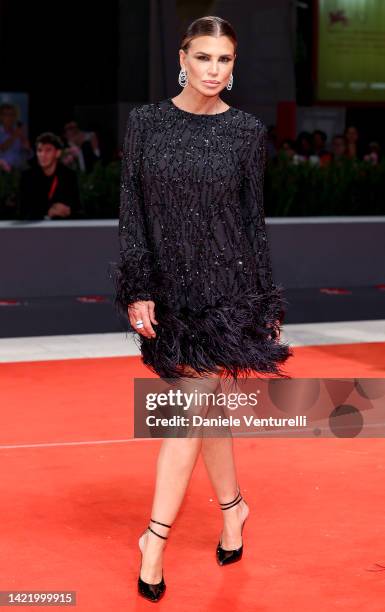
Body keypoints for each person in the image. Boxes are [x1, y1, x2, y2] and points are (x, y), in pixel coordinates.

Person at [110, 15, 293, 603]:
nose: (215, 69)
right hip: (169, 291)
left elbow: (251, 221)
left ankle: (155, 542)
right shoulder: (146, 123)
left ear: (233, 68)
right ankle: (235, 510)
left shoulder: (244, 131)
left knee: (187, 411)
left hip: (226, 291)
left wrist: (264, 299)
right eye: (205, 57)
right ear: (182, 59)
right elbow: (132, 211)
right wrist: (139, 286)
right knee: (207, 411)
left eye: (225, 60)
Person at [19, 132, 80, 220]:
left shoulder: (69, 176)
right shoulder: (28, 177)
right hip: (35, 230)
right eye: (39, 150)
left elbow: (78, 209)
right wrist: (48, 211)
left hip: (63, 228)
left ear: (58, 153)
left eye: (48, 150)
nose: (42, 155)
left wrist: (68, 211)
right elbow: (24, 211)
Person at [0, 103, 33, 169]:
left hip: (19, 169)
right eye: (6, 114)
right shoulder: (15, 133)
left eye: (12, 114)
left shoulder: (19, 131)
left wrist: (26, 148)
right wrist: (15, 135)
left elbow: (28, 155)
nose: (9, 117)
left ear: (16, 117)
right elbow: (2, 148)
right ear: (1, 116)